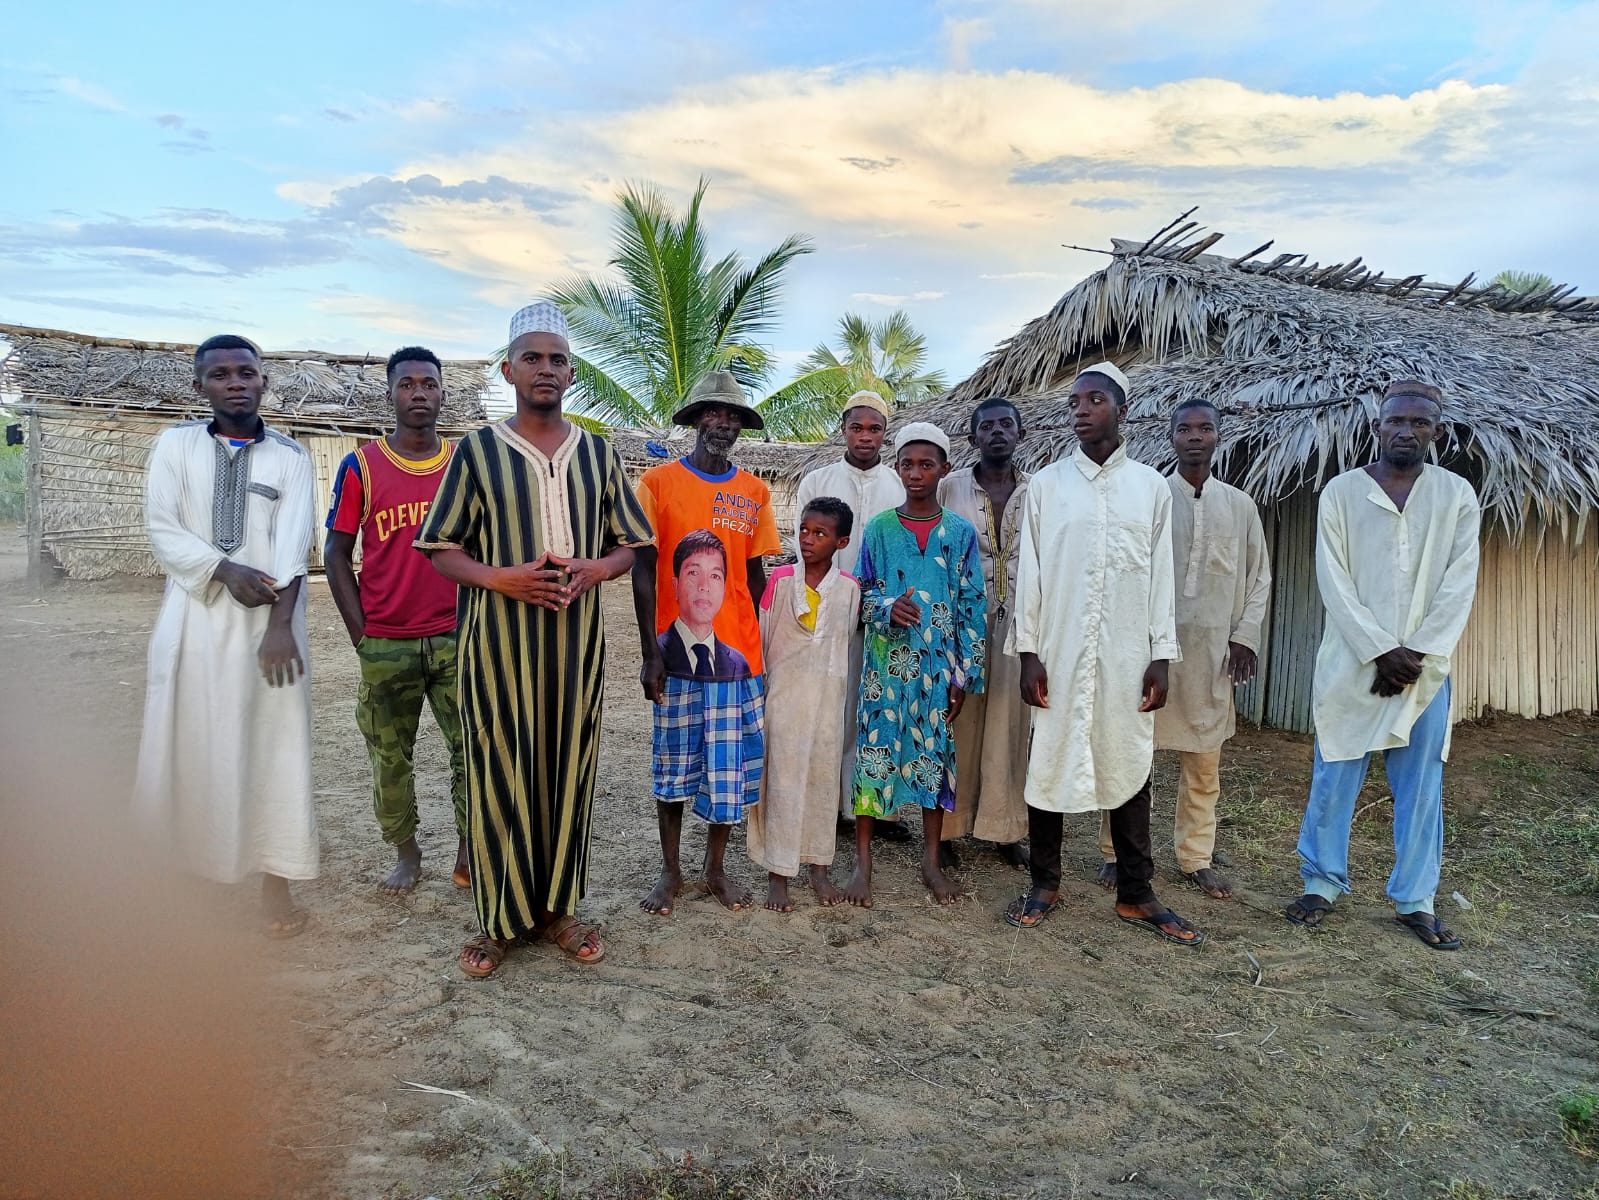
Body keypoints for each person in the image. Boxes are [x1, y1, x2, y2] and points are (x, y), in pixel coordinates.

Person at [416, 302, 653, 978]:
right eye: (532, 358)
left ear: (571, 372)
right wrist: (503, 579)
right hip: (496, 648)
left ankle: (556, 910)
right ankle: (497, 920)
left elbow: (629, 546)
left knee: (567, 773)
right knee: (499, 773)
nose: (545, 369)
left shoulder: (599, 453)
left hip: (575, 650)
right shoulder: (478, 451)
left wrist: (594, 568)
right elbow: (441, 549)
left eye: (556, 359)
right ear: (508, 369)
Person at [1005, 362, 1203, 947]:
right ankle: (1045, 883)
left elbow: (1160, 577)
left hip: (1126, 653)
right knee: (1051, 758)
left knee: (1130, 759)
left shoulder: (1151, 489)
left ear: (1121, 410)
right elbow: (1031, 577)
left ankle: (1137, 893)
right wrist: (1030, 653)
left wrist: (1160, 656)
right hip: (1060, 650)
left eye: (1095, 399)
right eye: (1075, 401)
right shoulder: (1046, 486)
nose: (1081, 409)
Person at [133, 333, 318, 937]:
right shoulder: (175, 446)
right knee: (192, 741)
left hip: (272, 631)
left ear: (264, 382)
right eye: (220, 374)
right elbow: (162, 526)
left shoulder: (290, 456)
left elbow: (295, 544)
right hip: (194, 619)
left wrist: (281, 628)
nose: (235, 382)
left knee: (277, 745)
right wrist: (221, 568)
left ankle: (275, 884)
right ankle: (195, 878)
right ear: (200, 386)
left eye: (246, 372)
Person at [1285, 380, 1480, 950]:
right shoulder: (1342, 494)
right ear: (1377, 427)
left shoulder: (1455, 497)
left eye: (1420, 423)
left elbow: (1458, 582)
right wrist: (1378, 650)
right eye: (1396, 420)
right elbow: (1334, 580)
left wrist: (1414, 652)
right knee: (1335, 771)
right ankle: (1321, 883)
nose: (1406, 431)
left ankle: (1415, 899)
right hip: (1352, 662)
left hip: (1425, 670)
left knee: (1421, 785)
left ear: (1435, 433)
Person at [1096, 398, 1271, 899]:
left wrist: (1244, 637)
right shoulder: (1152, 498)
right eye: (1185, 429)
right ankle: (1116, 851)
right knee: (1133, 756)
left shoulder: (1240, 506)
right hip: (1151, 655)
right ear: (1170, 437)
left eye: (1205, 429)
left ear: (1218, 437)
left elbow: (1259, 578)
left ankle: (1195, 857)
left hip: (1214, 653)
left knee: (1203, 764)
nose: (1195, 436)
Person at [632, 371, 782, 916]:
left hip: (739, 660)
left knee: (729, 768)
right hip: (674, 660)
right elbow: (643, 573)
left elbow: (757, 577)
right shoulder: (657, 485)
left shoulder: (755, 492)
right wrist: (651, 652)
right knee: (672, 767)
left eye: (733, 416)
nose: (723, 423)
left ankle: (715, 869)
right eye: (713, 413)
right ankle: (671, 872)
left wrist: (768, 650)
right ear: (696, 419)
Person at [325, 346, 469, 895]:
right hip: (387, 641)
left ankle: (465, 849)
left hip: (456, 639)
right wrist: (362, 633)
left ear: (441, 393)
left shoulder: (461, 462)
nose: (418, 395)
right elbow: (336, 553)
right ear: (389, 395)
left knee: (472, 750)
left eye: (428, 385)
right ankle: (407, 853)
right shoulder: (362, 464)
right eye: (406, 385)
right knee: (390, 756)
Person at [846, 422, 987, 908]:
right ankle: (862, 862)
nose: (915, 473)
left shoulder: (961, 533)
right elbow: (858, 593)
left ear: (944, 469)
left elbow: (972, 603)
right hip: (885, 668)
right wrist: (886, 608)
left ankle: (930, 860)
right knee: (875, 755)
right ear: (897, 468)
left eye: (927, 464)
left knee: (933, 759)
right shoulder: (880, 529)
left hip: (937, 670)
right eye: (907, 464)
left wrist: (965, 674)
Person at [791, 391, 906, 834]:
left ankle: (873, 809)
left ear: (884, 434)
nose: (865, 436)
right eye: (856, 427)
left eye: (874, 428)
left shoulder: (898, 485)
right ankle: (828, 807)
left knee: (877, 712)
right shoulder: (817, 481)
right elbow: (802, 551)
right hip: (829, 613)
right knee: (830, 710)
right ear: (843, 429)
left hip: (884, 618)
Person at [747, 497, 861, 911]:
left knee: (822, 782)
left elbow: (844, 641)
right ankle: (778, 873)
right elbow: (762, 639)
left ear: (842, 541)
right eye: (804, 531)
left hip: (827, 702)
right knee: (781, 781)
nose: (808, 540)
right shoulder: (779, 582)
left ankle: (818, 869)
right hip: (783, 699)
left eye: (820, 534)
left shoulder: (849, 590)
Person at [938, 397, 1031, 872]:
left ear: (1019, 434)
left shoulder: (1036, 492)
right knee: (959, 722)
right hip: (959, 622)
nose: (997, 432)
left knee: (1009, 727)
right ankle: (948, 829)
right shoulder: (950, 488)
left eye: (1006, 425)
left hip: (1019, 621)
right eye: (987, 426)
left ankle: (1004, 827)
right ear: (973, 438)